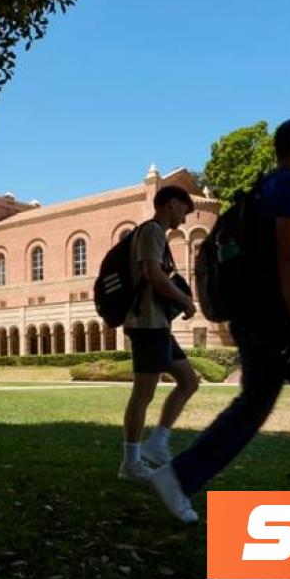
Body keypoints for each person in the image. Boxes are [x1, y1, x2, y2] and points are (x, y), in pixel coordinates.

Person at [148, 115, 290, 524]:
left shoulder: (265, 188)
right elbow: (288, 259)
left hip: (253, 316)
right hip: (285, 317)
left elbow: (274, 259)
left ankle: (178, 476)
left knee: (253, 405)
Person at [115, 185, 199, 481]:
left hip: (158, 324)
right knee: (143, 393)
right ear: (172, 204)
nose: (185, 218)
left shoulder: (156, 234)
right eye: (184, 210)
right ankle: (131, 463)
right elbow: (152, 273)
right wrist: (184, 300)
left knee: (189, 381)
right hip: (146, 324)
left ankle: (157, 443)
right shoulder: (152, 231)